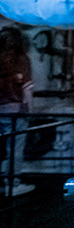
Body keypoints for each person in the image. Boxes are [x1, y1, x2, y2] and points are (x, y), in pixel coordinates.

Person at [0, 25, 35, 196]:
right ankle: (13, 185)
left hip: (1, 109)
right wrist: (30, 111)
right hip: (16, 110)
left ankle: (4, 182)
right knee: (15, 148)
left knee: (4, 148)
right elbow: (27, 88)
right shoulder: (22, 59)